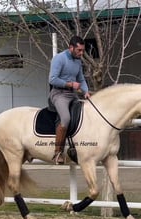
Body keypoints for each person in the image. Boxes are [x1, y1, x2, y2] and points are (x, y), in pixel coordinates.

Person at [48, 35, 90, 164]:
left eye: (83, 50)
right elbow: (52, 79)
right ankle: (58, 153)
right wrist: (71, 84)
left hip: (73, 95)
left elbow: (81, 79)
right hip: (58, 94)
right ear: (71, 48)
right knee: (65, 118)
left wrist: (86, 91)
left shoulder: (78, 61)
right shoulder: (59, 59)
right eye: (79, 50)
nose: (81, 53)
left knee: (87, 114)